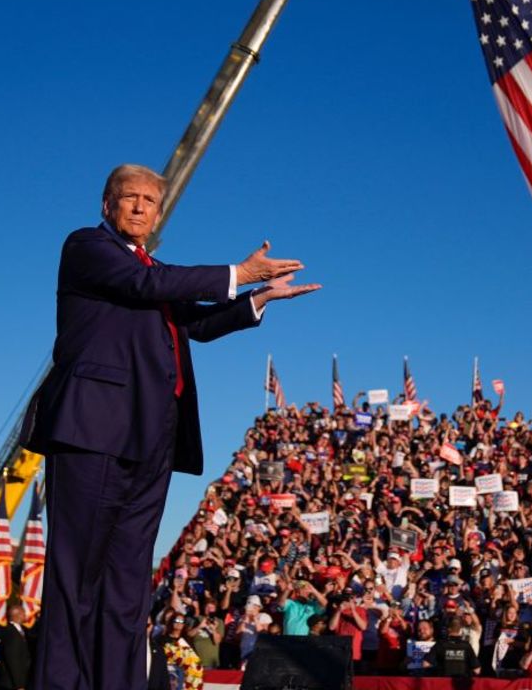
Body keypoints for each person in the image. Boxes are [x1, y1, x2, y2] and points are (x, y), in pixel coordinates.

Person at [25, 163, 318, 689]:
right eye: (130, 197)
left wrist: (258, 298)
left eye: (150, 201)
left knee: (129, 585)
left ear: (159, 214)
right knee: (76, 578)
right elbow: (146, 284)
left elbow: (195, 322)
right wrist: (238, 273)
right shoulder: (88, 248)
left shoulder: (154, 271)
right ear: (107, 205)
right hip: (92, 433)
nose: (140, 206)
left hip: (152, 438)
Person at [0, 601, 32, 690]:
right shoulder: (12, 634)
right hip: (11, 684)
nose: (25, 615)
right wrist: (19, 685)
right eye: (23, 612)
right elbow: (13, 660)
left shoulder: (19, 631)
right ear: (17, 615)